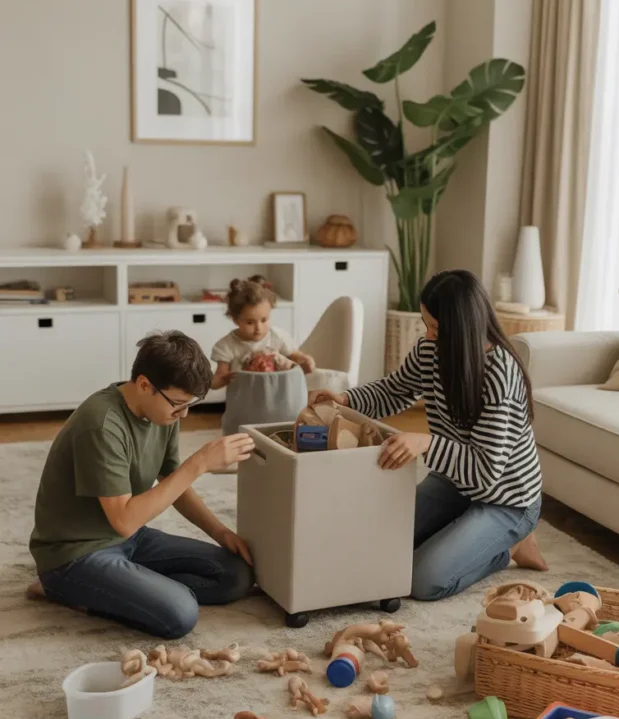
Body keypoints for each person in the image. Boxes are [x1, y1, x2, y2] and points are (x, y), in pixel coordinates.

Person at [311, 269, 547, 601]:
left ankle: (511, 547)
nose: (428, 335)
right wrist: (346, 399)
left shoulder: (500, 375)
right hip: (455, 483)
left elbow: (486, 471)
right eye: (427, 325)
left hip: (506, 499)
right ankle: (467, 534)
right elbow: (395, 390)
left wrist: (425, 442)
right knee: (375, 545)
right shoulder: (430, 351)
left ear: (463, 329)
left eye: (436, 327)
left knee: (423, 580)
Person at [29, 331, 256, 639]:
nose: (183, 414)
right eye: (177, 404)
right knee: (180, 613)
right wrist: (200, 462)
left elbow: (172, 481)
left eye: (190, 405)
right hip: (75, 553)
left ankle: (126, 587)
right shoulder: (102, 424)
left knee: (237, 575)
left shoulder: (163, 415)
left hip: (130, 539)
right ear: (145, 385)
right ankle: (65, 589)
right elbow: (124, 520)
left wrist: (220, 532)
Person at [210, 275, 316, 434]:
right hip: (245, 406)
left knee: (280, 434)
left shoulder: (277, 336)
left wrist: (306, 361)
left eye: (264, 320)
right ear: (235, 319)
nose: (258, 328)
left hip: (278, 403)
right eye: (250, 322)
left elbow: (296, 357)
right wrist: (223, 379)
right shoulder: (227, 345)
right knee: (242, 440)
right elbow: (215, 382)